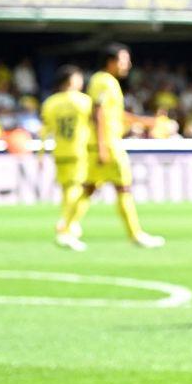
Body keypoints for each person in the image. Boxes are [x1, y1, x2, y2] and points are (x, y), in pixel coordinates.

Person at [63, 43, 165, 247]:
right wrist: (102, 147)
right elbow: (98, 113)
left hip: (103, 142)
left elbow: (114, 114)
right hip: (108, 144)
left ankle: (66, 229)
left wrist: (145, 121)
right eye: (123, 60)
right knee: (123, 187)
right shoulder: (105, 81)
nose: (128, 64)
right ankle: (135, 235)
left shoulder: (105, 81)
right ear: (111, 62)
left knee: (89, 188)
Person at [39, 64, 92, 252]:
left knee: (66, 189)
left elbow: (45, 130)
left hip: (59, 151)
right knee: (77, 189)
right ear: (70, 80)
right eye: (78, 77)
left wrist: (41, 153)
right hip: (78, 150)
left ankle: (69, 223)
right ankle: (67, 226)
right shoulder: (84, 101)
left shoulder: (50, 102)